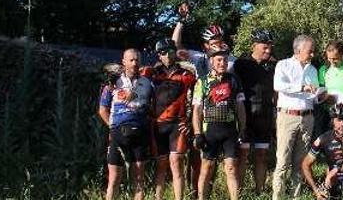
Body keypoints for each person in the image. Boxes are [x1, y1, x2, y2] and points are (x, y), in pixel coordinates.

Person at [141, 38, 197, 200]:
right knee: (161, 166)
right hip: (157, 125)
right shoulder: (150, 74)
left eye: (171, 50)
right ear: (159, 55)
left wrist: (191, 122)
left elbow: (197, 100)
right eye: (163, 52)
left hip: (177, 126)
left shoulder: (187, 74)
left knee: (177, 163)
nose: (168, 55)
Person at [272, 35, 325, 200]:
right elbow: (278, 86)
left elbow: (313, 96)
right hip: (288, 117)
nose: (312, 54)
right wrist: (301, 87)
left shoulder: (313, 70)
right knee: (282, 161)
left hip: (308, 118)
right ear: (299, 50)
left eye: (313, 51)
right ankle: (278, 197)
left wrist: (322, 96)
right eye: (310, 51)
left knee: (300, 163)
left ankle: (296, 197)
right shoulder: (283, 65)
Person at [191, 46, 247, 200]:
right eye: (219, 60)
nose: (223, 63)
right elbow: (197, 110)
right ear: (211, 61)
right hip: (210, 130)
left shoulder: (234, 80)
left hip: (230, 130)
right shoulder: (202, 82)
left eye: (225, 60)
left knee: (231, 168)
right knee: (206, 168)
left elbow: (240, 106)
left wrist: (243, 128)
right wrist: (197, 133)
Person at [98, 48, 154, 200]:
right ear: (123, 62)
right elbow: (103, 109)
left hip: (140, 133)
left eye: (137, 60)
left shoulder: (147, 82)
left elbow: (153, 107)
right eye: (131, 60)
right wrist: (112, 127)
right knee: (114, 179)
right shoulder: (112, 82)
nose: (134, 63)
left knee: (139, 180)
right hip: (118, 133)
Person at [233, 29, 277, 194]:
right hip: (246, 114)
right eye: (264, 47)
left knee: (262, 155)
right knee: (243, 155)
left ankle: (259, 191)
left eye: (270, 47)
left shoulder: (273, 65)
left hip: (264, 115)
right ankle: (239, 191)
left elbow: (275, 93)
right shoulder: (241, 64)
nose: (268, 50)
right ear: (254, 46)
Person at [302, 104, 343, 200]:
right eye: (339, 120)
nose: (342, 124)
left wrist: (337, 169)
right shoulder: (323, 139)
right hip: (333, 181)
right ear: (333, 121)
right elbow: (305, 164)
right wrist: (316, 190)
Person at [171, 2, 235, 78]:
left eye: (220, 42)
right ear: (206, 45)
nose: (218, 46)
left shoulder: (232, 60)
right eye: (214, 43)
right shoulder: (199, 57)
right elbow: (175, 45)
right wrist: (181, 20)